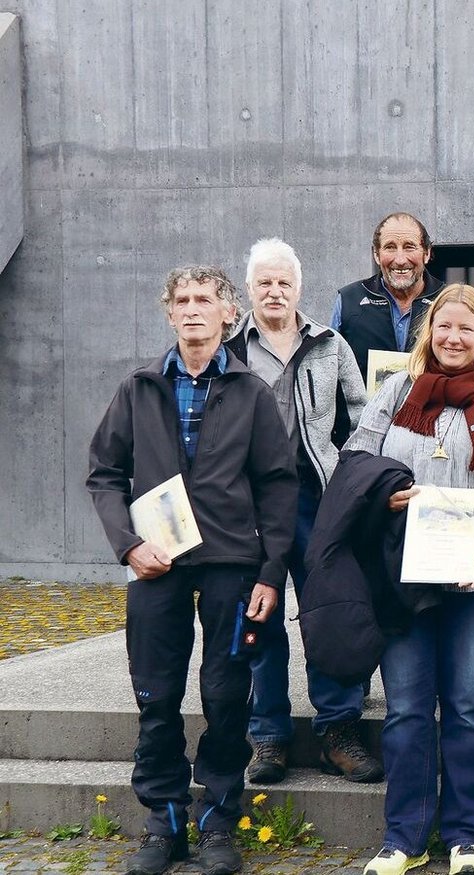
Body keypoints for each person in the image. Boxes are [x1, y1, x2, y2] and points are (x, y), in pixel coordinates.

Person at [87, 266, 299, 875]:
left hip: (233, 563)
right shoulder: (140, 388)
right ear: (169, 313)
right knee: (156, 694)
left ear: (230, 313)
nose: (193, 310)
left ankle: (217, 822)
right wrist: (127, 545)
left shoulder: (252, 392)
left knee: (226, 695)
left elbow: (278, 487)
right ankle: (164, 822)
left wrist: (270, 572)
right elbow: (104, 473)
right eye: (181, 300)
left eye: (205, 299)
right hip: (157, 566)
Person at [343, 284, 474, 875]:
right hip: (404, 577)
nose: (453, 338)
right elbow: (356, 463)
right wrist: (389, 494)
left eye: (467, 329)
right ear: (429, 333)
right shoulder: (396, 392)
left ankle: (464, 836)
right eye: (444, 327)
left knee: (465, 705)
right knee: (405, 707)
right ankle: (402, 836)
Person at [227, 238, 380, 786]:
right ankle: (268, 737)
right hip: (251, 508)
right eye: (263, 282)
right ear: (249, 289)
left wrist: (351, 478)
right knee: (259, 617)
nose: (274, 292)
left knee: (330, 612)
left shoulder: (329, 343)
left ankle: (338, 728)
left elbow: (363, 418)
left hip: (317, 500)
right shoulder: (230, 350)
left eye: (283, 282)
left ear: (299, 287)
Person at [333, 212, 446, 379]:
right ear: (376, 255)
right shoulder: (349, 300)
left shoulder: (448, 300)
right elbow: (329, 369)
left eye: (409, 246)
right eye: (390, 247)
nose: (400, 260)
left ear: (427, 253)